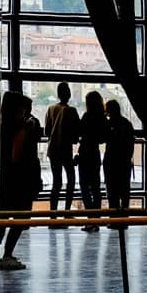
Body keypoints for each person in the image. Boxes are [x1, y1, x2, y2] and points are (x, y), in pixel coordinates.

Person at [0, 88, 41, 266]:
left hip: (4, 177)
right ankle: (8, 254)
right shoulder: (21, 128)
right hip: (21, 180)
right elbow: (16, 155)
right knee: (19, 218)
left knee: (1, 217)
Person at [44, 80, 81, 215]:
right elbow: (77, 133)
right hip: (65, 149)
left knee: (56, 182)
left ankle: (53, 213)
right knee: (71, 180)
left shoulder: (50, 109)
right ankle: (67, 211)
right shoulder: (72, 111)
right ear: (69, 94)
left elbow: (47, 132)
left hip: (53, 149)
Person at [76, 89, 108, 229]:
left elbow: (79, 132)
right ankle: (96, 219)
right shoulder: (102, 118)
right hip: (94, 154)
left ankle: (90, 218)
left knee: (84, 188)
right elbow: (103, 138)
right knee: (95, 188)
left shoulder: (86, 116)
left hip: (84, 153)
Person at [103, 98, 136, 218]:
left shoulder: (108, 124)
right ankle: (124, 218)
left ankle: (113, 218)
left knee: (112, 192)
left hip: (111, 161)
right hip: (124, 161)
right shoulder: (127, 123)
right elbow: (131, 144)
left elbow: (102, 138)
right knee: (124, 191)